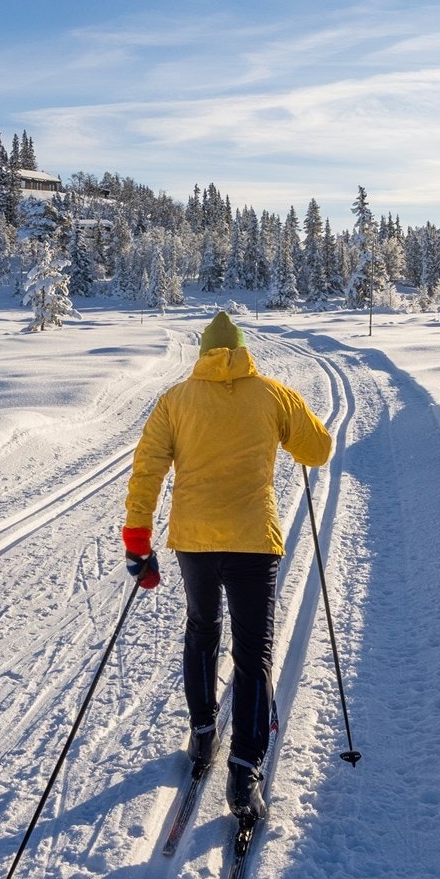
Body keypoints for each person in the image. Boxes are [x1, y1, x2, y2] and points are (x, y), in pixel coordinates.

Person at [123, 310, 333, 821]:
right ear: (242, 352)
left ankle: (202, 733)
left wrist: (138, 539)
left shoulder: (175, 400)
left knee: (202, 629)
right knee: (253, 650)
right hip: (253, 540)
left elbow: (147, 469)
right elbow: (319, 451)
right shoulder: (274, 394)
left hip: (194, 540)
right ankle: (244, 772)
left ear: (202, 354)